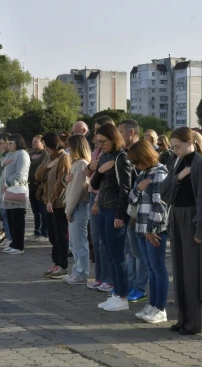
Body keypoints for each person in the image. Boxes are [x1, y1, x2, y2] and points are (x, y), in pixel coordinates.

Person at [161, 127, 202, 335]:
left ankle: (195, 322)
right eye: (173, 147)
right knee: (180, 270)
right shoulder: (176, 162)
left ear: (190, 142)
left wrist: (201, 229)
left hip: (192, 219)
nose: (175, 150)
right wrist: (179, 177)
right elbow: (165, 192)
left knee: (193, 273)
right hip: (176, 217)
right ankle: (182, 318)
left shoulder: (200, 164)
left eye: (178, 146)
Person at [91, 123, 133, 312]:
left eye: (103, 141)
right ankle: (116, 293)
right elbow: (94, 183)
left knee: (117, 256)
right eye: (98, 142)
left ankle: (122, 296)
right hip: (103, 209)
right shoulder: (104, 156)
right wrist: (99, 171)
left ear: (113, 138)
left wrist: (120, 215)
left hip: (115, 211)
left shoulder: (122, 158)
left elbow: (126, 189)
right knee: (108, 252)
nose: (100, 145)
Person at [127, 140, 169, 324]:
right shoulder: (142, 173)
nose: (135, 166)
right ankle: (152, 305)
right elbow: (132, 199)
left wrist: (152, 229)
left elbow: (160, 206)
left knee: (158, 269)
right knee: (151, 269)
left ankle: (160, 307)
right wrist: (138, 188)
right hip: (141, 228)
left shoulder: (159, 174)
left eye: (137, 162)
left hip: (155, 230)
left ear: (145, 157)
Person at [118, 119, 148, 303]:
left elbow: (141, 186)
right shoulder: (124, 153)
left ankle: (140, 288)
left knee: (139, 253)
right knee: (130, 251)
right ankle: (130, 284)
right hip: (129, 209)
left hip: (139, 212)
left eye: (121, 131)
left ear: (130, 133)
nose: (118, 136)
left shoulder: (141, 152)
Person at [36, 133, 71, 276]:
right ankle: (55, 262)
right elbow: (37, 175)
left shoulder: (64, 158)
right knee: (52, 235)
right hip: (47, 201)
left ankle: (62, 264)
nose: (45, 149)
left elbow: (61, 182)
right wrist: (47, 167)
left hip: (58, 202)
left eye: (47, 146)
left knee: (60, 235)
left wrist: (52, 199)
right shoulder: (48, 157)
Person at [86, 116, 114, 292]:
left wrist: (96, 167)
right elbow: (89, 170)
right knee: (95, 238)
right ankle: (99, 276)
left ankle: (109, 279)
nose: (96, 134)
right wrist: (94, 166)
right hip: (93, 192)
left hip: (103, 198)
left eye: (99, 130)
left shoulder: (111, 152)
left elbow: (103, 177)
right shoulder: (97, 149)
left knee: (106, 242)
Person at [63, 135, 91, 284]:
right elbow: (70, 183)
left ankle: (81, 273)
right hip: (75, 205)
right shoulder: (77, 163)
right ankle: (77, 270)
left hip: (78, 205)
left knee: (79, 242)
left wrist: (69, 209)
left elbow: (77, 189)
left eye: (70, 147)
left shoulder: (81, 164)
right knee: (73, 242)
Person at [0, 134, 31, 255]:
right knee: (11, 218)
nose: (8, 145)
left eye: (11, 142)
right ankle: (13, 242)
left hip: (17, 190)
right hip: (8, 192)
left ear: (18, 142)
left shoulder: (22, 154)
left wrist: (7, 183)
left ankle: (19, 245)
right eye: (8, 142)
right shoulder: (10, 154)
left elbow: (20, 174)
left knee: (18, 219)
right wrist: (2, 163)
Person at [28, 135, 48, 240]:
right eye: (33, 141)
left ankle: (44, 232)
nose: (33, 143)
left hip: (40, 186)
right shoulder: (29, 154)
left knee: (42, 210)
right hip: (31, 185)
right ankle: (36, 231)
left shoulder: (46, 155)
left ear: (42, 143)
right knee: (35, 210)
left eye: (36, 142)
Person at [0, 133, 13, 247]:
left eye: (3, 143)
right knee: (2, 213)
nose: (0, 146)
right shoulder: (0, 154)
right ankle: (7, 236)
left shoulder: (12, 155)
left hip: (8, 187)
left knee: (7, 213)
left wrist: (2, 162)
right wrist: (1, 161)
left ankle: (10, 237)